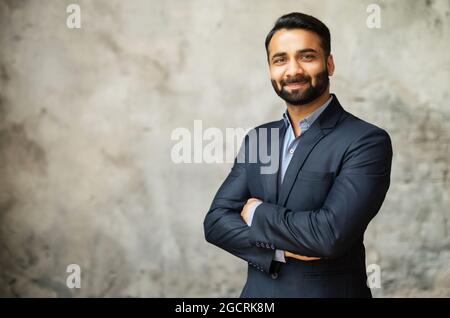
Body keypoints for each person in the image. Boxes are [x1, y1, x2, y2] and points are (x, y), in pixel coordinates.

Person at [203, 12, 392, 298]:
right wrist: (278, 251)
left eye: (306, 56)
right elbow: (216, 222)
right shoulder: (259, 139)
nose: (293, 70)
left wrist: (255, 212)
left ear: (329, 63)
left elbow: (329, 236)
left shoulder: (366, 141)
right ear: (269, 69)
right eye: (280, 59)